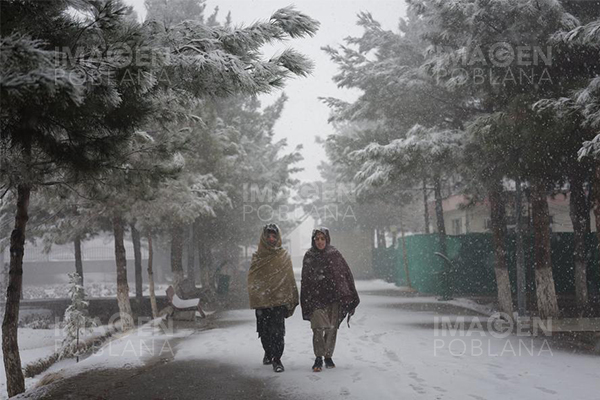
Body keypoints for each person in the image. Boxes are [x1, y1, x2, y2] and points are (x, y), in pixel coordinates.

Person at [301, 227, 360, 372]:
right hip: (316, 299)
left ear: (327, 239)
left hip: (334, 298)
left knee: (332, 329)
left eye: (322, 239)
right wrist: (306, 298)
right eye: (317, 239)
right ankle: (318, 357)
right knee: (318, 327)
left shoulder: (334, 254)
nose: (320, 242)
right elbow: (305, 280)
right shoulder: (309, 256)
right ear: (313, 240)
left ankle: (328, 356)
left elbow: (345, 274)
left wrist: (349, 294)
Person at [247, 223, 298, 373]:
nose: (271, 239)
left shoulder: (284, 256)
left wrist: (291, 296)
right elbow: (252, 280)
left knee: (277, 332)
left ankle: (277, 359)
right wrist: (258, 293)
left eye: (274, 236)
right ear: (263, 238)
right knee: (264, 332)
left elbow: (289, 278)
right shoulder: (258, 257)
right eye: (268, 236)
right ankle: (268, 352)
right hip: (262, 302)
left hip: (278, 301)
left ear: (278, 237)